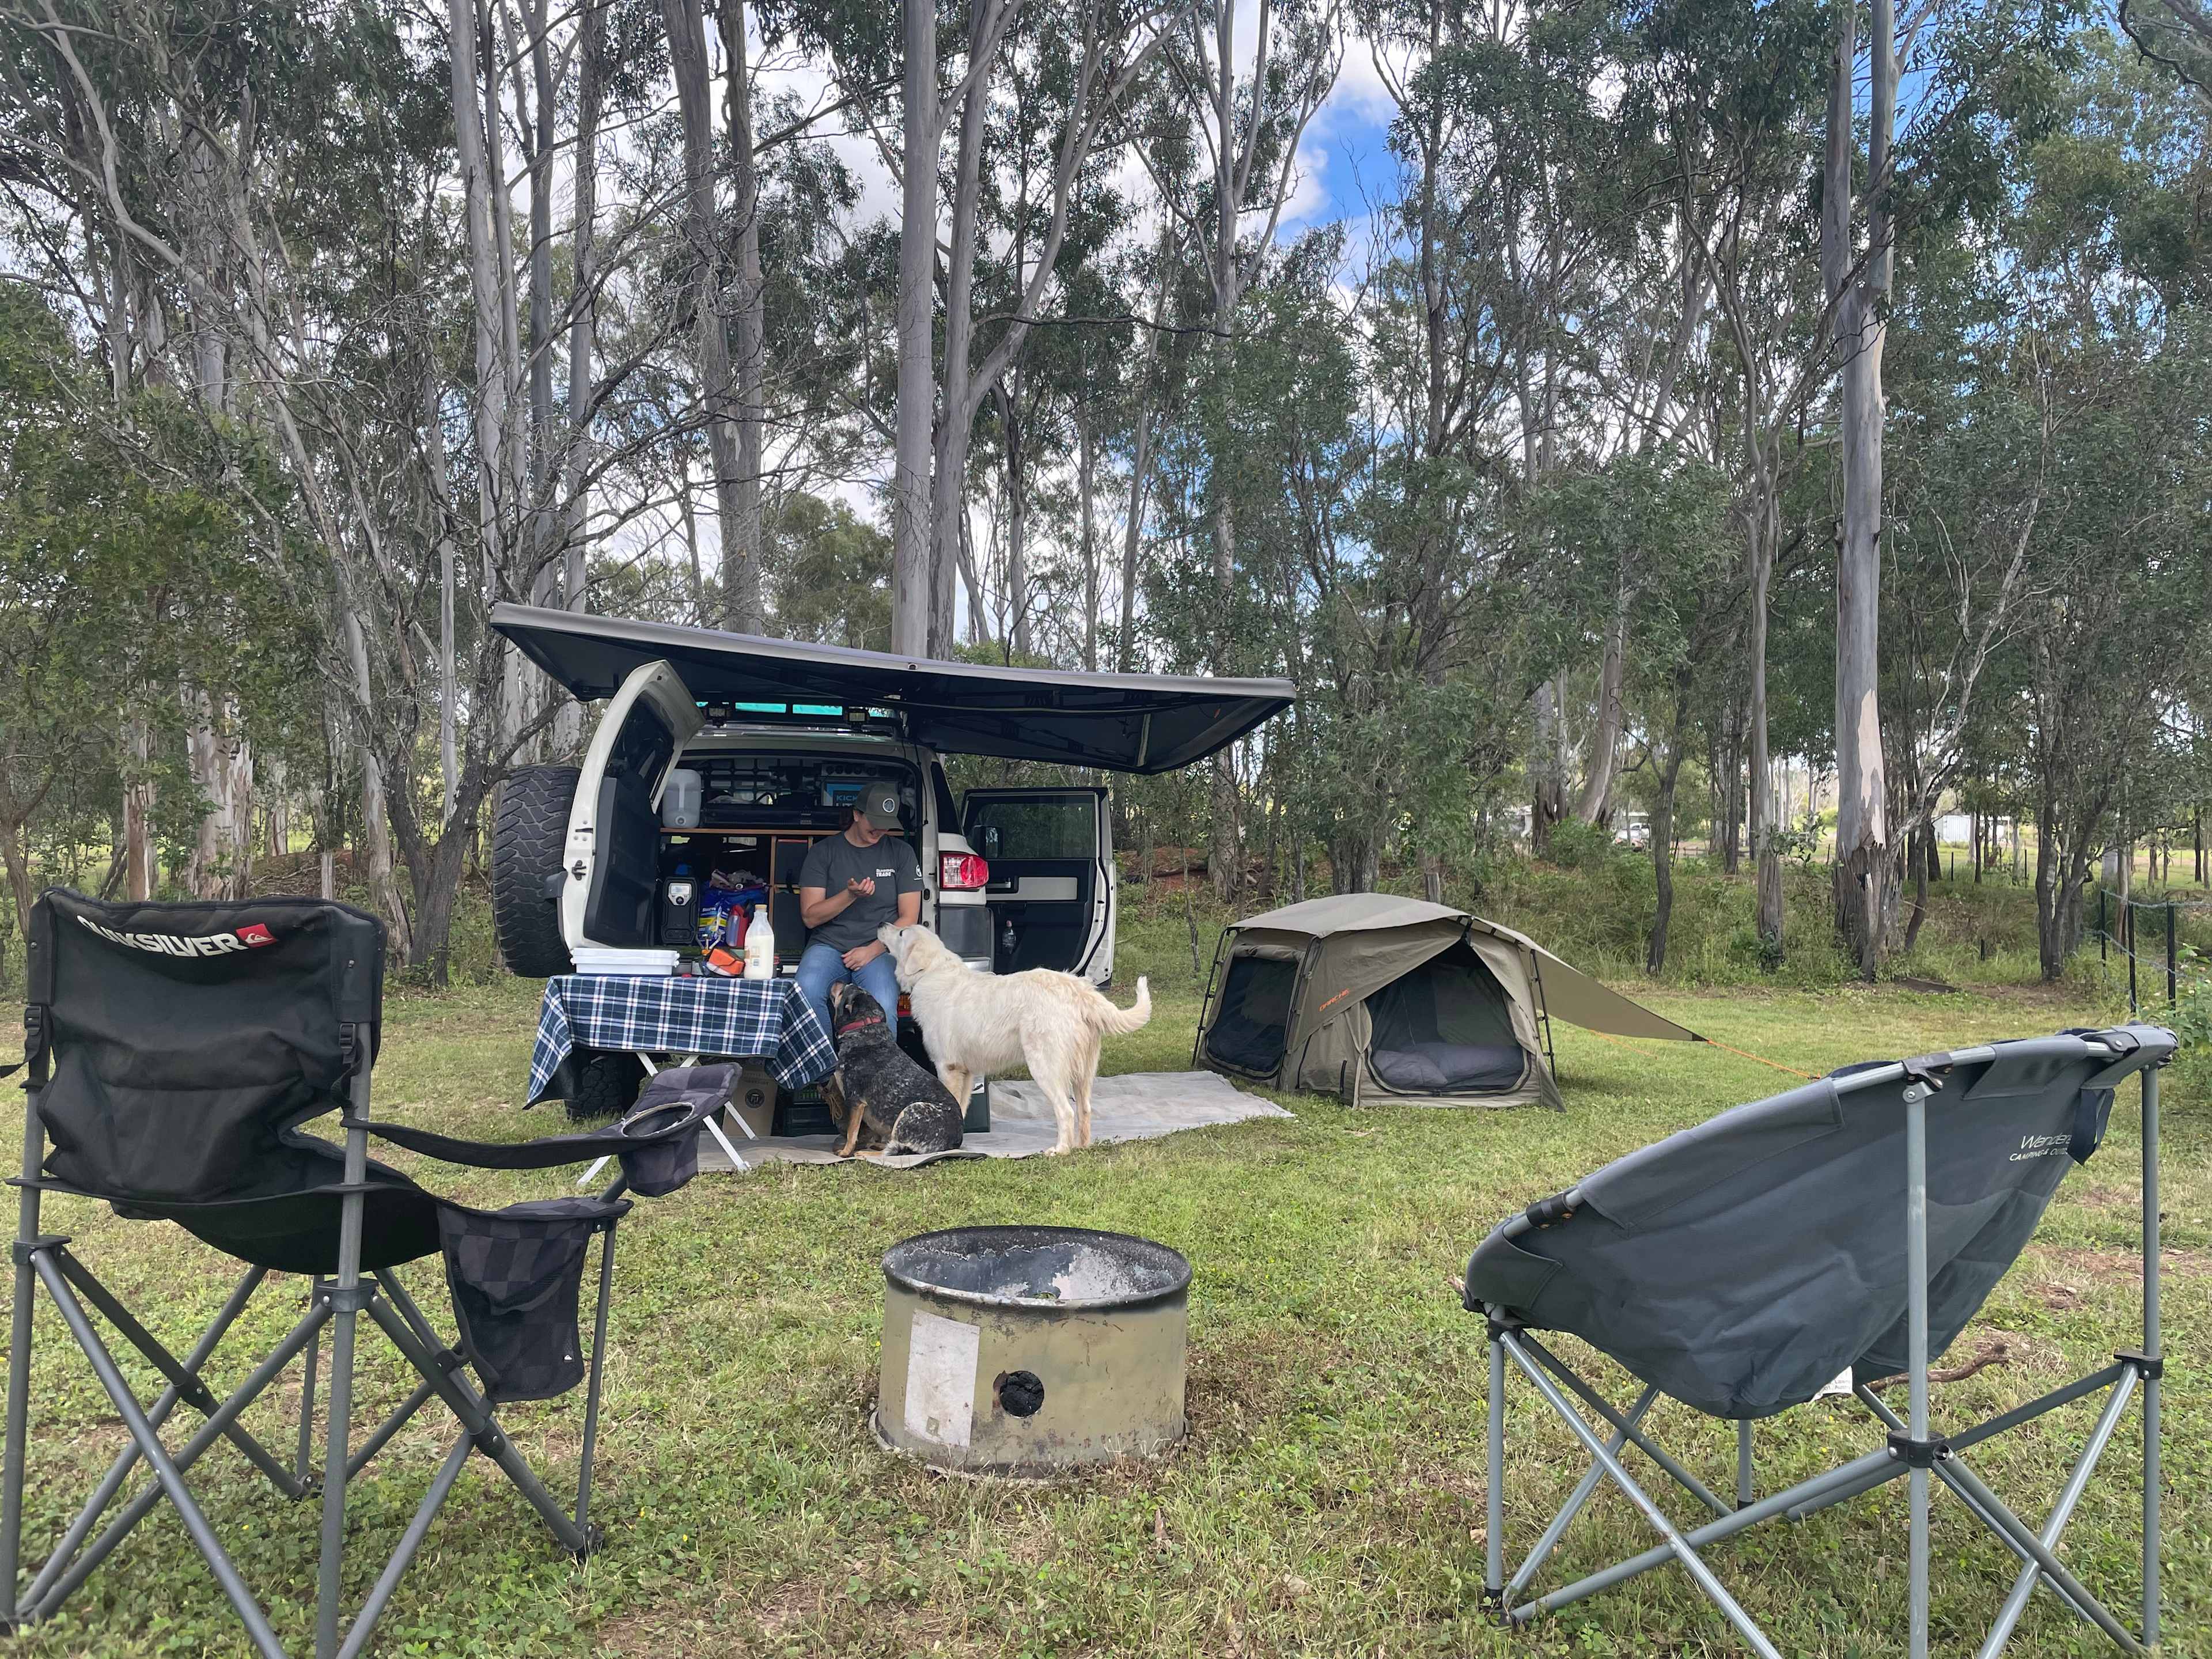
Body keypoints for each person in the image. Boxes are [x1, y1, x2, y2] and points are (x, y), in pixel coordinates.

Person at [794, 781, 922, 1041]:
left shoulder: (902, 853)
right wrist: (849, 895)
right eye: (873, 822)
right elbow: (809, 917)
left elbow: (909, 917)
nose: (880, 830)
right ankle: (826, 1074)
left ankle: (879, 1078)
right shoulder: (824, 852)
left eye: (886, 824)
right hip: (829, 945)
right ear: (856, 814)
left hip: (879, 949)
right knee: (805, 992)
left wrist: (872, 950)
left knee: (885, 1004)